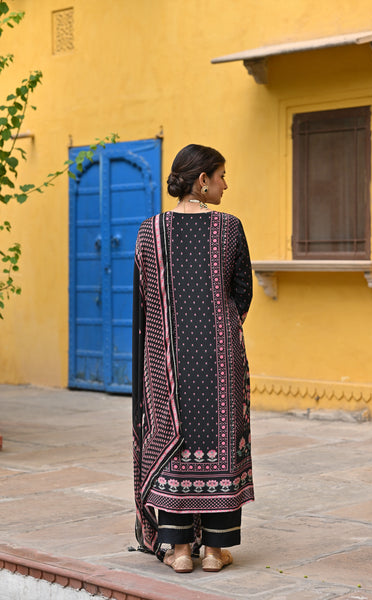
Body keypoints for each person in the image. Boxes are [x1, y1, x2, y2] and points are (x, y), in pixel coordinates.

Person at [132, 143, 253, 573]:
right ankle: (215, 552)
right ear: (202, 180)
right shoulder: (229, 227)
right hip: (220, 356)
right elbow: (243, 293)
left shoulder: (150, 231)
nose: (225, 184)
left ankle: (180, 550)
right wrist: (219, 326)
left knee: (174, 442)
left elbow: (144, 299)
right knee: (222, 441)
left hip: (166, 358)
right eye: (221, 176)